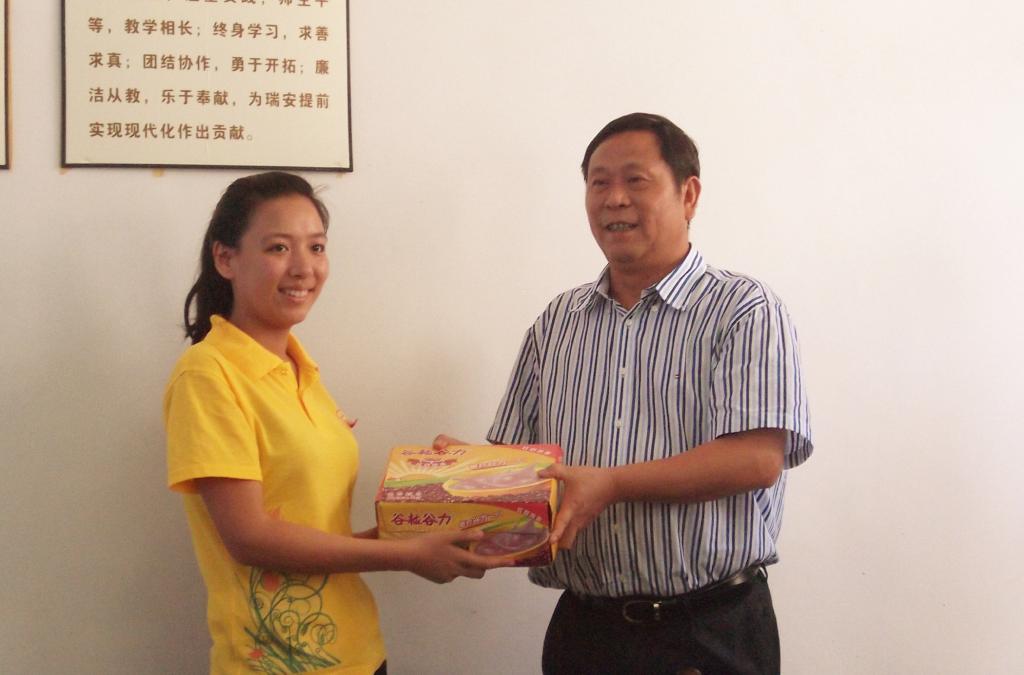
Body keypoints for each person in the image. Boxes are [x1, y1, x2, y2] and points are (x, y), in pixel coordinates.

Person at [435, 113, 813, 674]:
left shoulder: (744, 310)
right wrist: (459, 477)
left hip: (706, 632)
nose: (614, 199)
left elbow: (755, 460)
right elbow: (525, 469)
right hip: (586, 632)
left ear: (689, 195)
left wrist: (611, 485)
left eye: (636, 180)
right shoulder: (557, 321)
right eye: (599, 183)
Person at [164, 172, 499, 675]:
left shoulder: (301, 371)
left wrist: (423, 520)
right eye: (279, 247)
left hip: (357, 652)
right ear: (226, 258)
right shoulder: (207, 375)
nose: (304, 268)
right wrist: (406, 556)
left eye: (316, 247)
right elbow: (249, 537)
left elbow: (317, 534)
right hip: (276, 664)